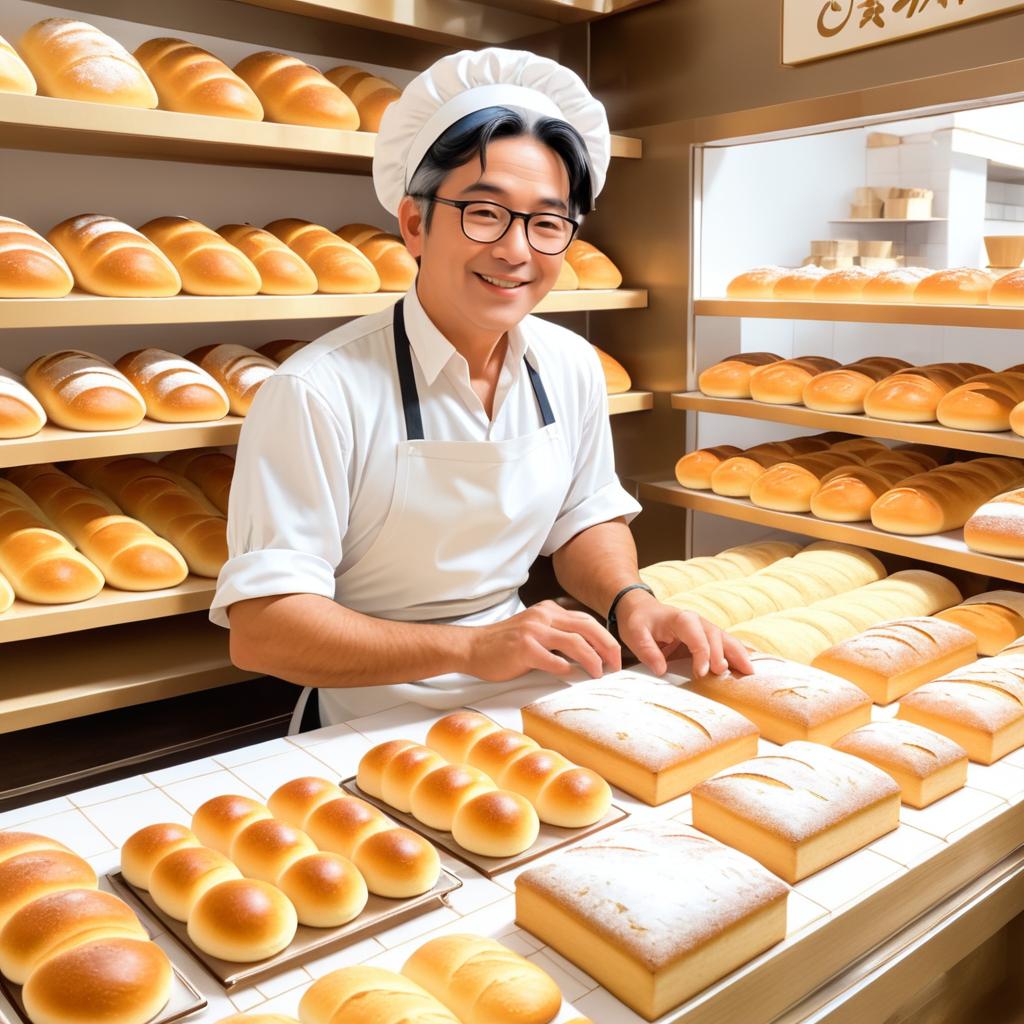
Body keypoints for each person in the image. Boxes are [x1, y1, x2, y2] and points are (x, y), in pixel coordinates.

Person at [209, 47, 752, 729]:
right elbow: (265, 630)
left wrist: (630, 601)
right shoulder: (317, 393)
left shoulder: (571, 365)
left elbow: (583, 515)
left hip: (531, 693)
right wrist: (470, 647)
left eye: (548, 223)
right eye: (485, 213)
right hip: (367, 717)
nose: (517, 251)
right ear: (414, 223)